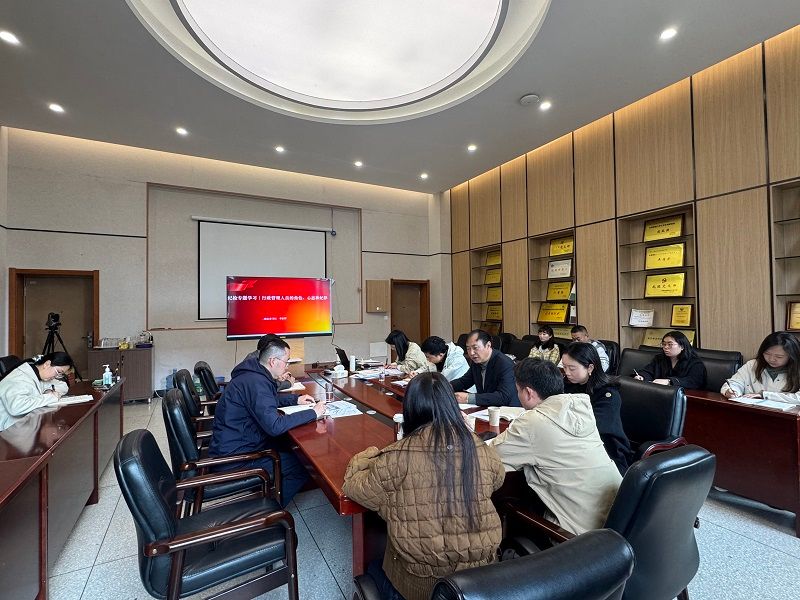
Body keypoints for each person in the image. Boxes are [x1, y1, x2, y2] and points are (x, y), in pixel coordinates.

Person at [343, 372, 505, 600]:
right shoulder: (476, 447)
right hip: (481, 581)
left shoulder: (397, 456)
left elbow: (354, 487)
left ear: (411, 408)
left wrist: (370, 454)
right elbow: (497, 479)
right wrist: (468, 435)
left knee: (373, 569)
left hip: (423, 586)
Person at [488, 358, 622, 535]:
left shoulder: (533, 422)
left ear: (528, 393)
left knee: (507, 503)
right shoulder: (580, 408)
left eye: (518, 390)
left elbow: (488, 458)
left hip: (574, 535)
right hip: (616, 526)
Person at [208, 337, 326, 505]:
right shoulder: (256, 382)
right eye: (286, 362)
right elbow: (275, 426)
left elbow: (266, 401)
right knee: (303, 466)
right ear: (272, 361)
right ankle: (269, 510)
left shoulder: (253, 375)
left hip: (235, 443)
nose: (287, 366)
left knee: (288, 444)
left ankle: (271, 488)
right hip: (236, 459)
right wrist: (313, 413)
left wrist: (295, 400)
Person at [561, 342, 633, 474]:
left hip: (607, 450)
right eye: (564, 367)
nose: (567, 373)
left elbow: (594, 427)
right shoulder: (567, 384)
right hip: (576, 443)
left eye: (572, 368)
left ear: (590, 367)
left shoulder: (608, 394)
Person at [0, 352, 73, 431]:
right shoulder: (19, 378)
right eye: (58, 372)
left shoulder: (39, 375)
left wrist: (47, 390)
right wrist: (49, 397)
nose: (56, 376)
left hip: (24, 423)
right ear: (47, 364)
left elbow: (63, 386)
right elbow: (16, 408)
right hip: (7, 429)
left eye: (61, 374)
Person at [721, 331, 800, 403]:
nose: (771, 359)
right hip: (752, 411)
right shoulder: (753, 365)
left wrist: (764, 395)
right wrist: (731, 391)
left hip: (786, 413)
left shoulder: (797, 370)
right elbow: (734, 382)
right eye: (767, 354)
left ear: (792, 356)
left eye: (779, 356)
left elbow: (798, 398)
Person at [450, 330, 518, 407]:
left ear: (488, 345)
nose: (471, 353)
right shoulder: (477, 361)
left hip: (508, 410)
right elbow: (464, 382)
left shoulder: (504, 364)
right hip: (486, 408)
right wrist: (444, 386)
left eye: (475, 348)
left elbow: (504, 397)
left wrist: (468, 398)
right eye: (468, 348)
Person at [634, 330, 706, 390]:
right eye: (664, 344)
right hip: (660, 393)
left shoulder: (695, 363)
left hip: (685, 397)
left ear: (682, 346)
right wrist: (642, 377)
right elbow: (648, 372)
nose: (665, 347)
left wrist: (669, 381)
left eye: (670, 344)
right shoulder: (659, 358)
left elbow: (693, 382)